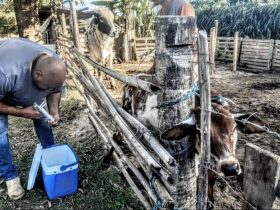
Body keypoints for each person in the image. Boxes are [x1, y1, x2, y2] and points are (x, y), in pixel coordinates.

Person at [0, 38, 67, 200]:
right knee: (0, 134)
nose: (50, 89)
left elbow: (55, 89)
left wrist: (54, 111)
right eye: (47, 87)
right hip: (4, 93)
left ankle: (51, 159)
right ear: (38, 74)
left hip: (22, 89)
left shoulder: (54, 63)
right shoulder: (5, 71)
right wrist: (21, 112)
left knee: (45, 120)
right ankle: (10, 176)